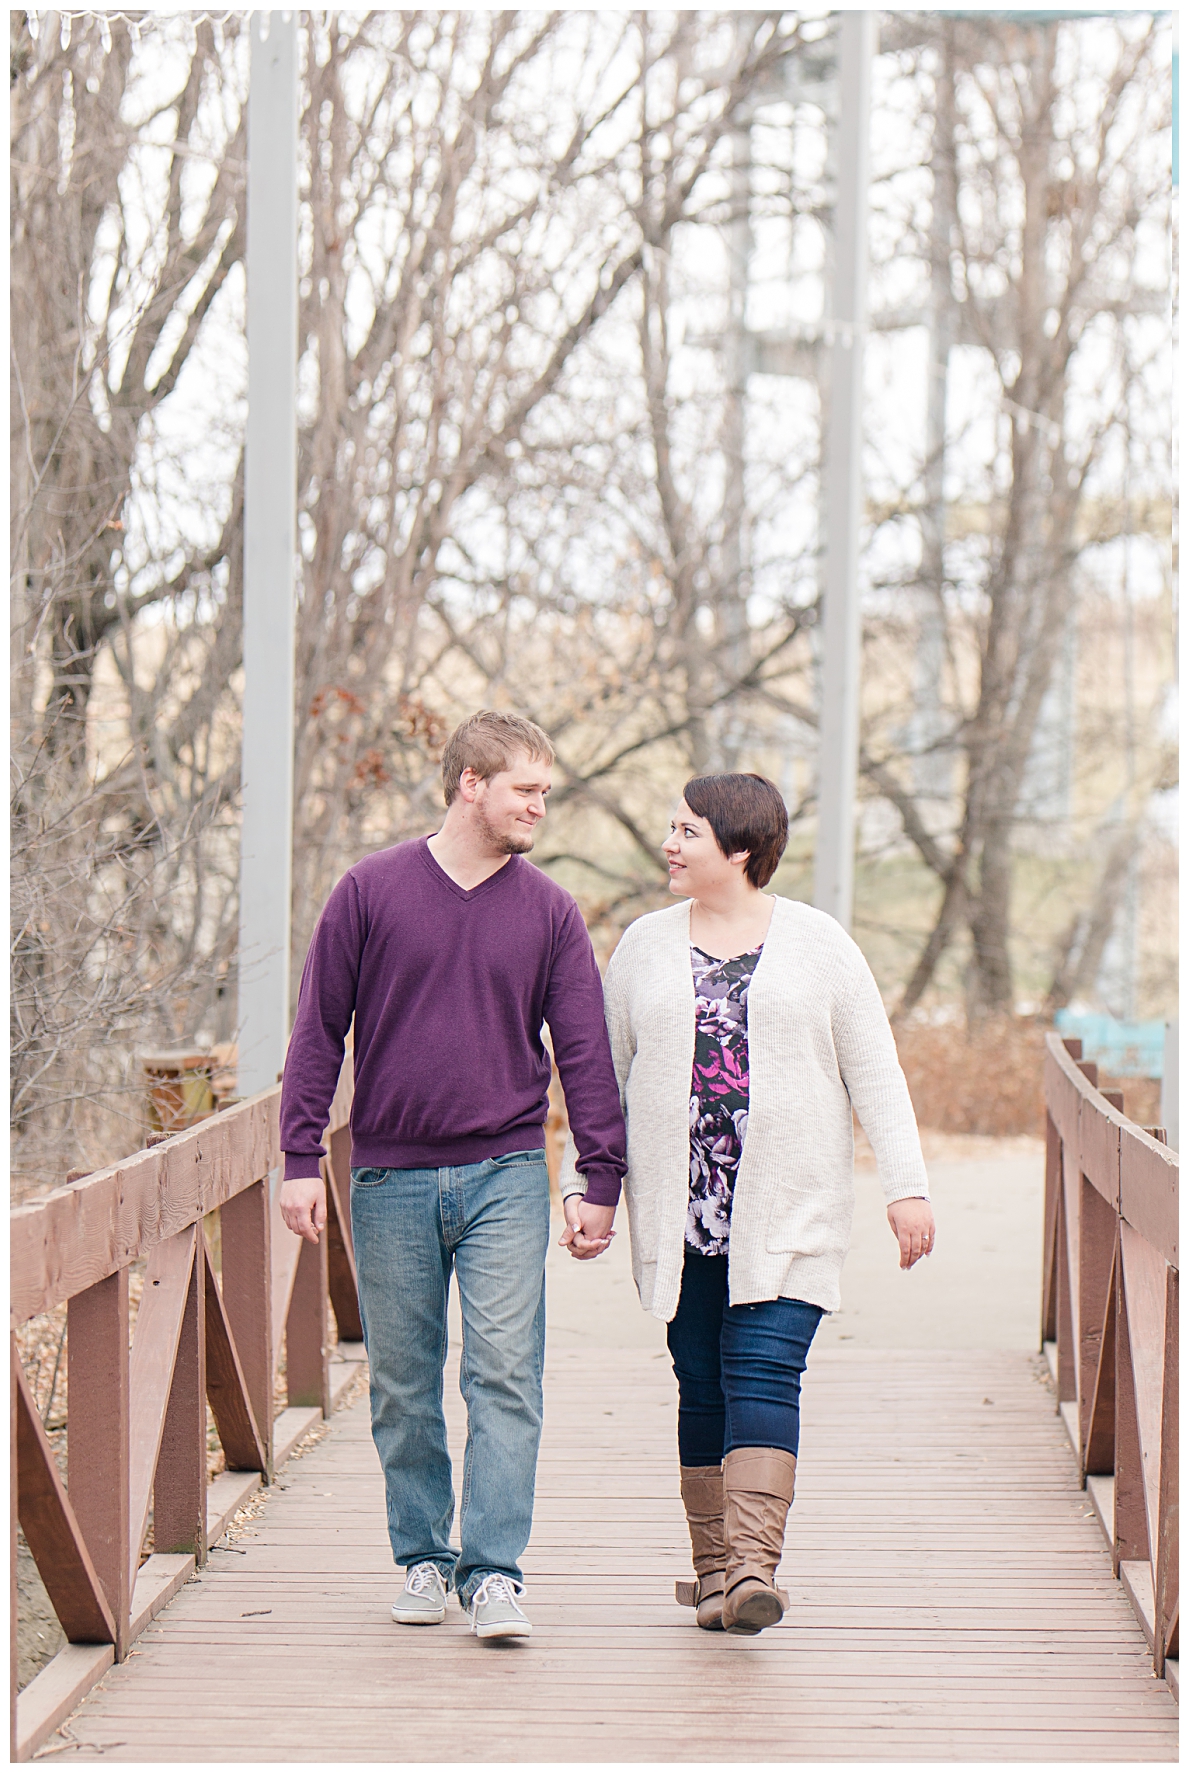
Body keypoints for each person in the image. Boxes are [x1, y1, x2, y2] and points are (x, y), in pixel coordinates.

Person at [560, 772, 934, 1636]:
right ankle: (714, 1571)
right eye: (671, 826)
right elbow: (603, 1080)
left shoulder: (819, 943)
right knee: (699, 1382)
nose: (671, 842)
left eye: (687, 830)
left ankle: (753, 1568)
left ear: (738, 848)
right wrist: (591, 1188)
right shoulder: (644, 946)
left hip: (787, 1208)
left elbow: (873, 1067)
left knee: (764, 1369)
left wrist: (905, 1185)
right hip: (681, 1215)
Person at [278, 710, 624, 1642]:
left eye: (545, 793)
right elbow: (317, 1033)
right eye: (526, 790)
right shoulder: (368, 891)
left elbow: (584, 1051)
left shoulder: (547, 909)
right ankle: (425, 1558)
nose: (538, 808)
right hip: (388, 1175)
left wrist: (601, 1175)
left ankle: (494, 1572)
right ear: (470, 782)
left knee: (506, 1374)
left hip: (507, 1170)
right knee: (402, 1383)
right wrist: (298, 1155)